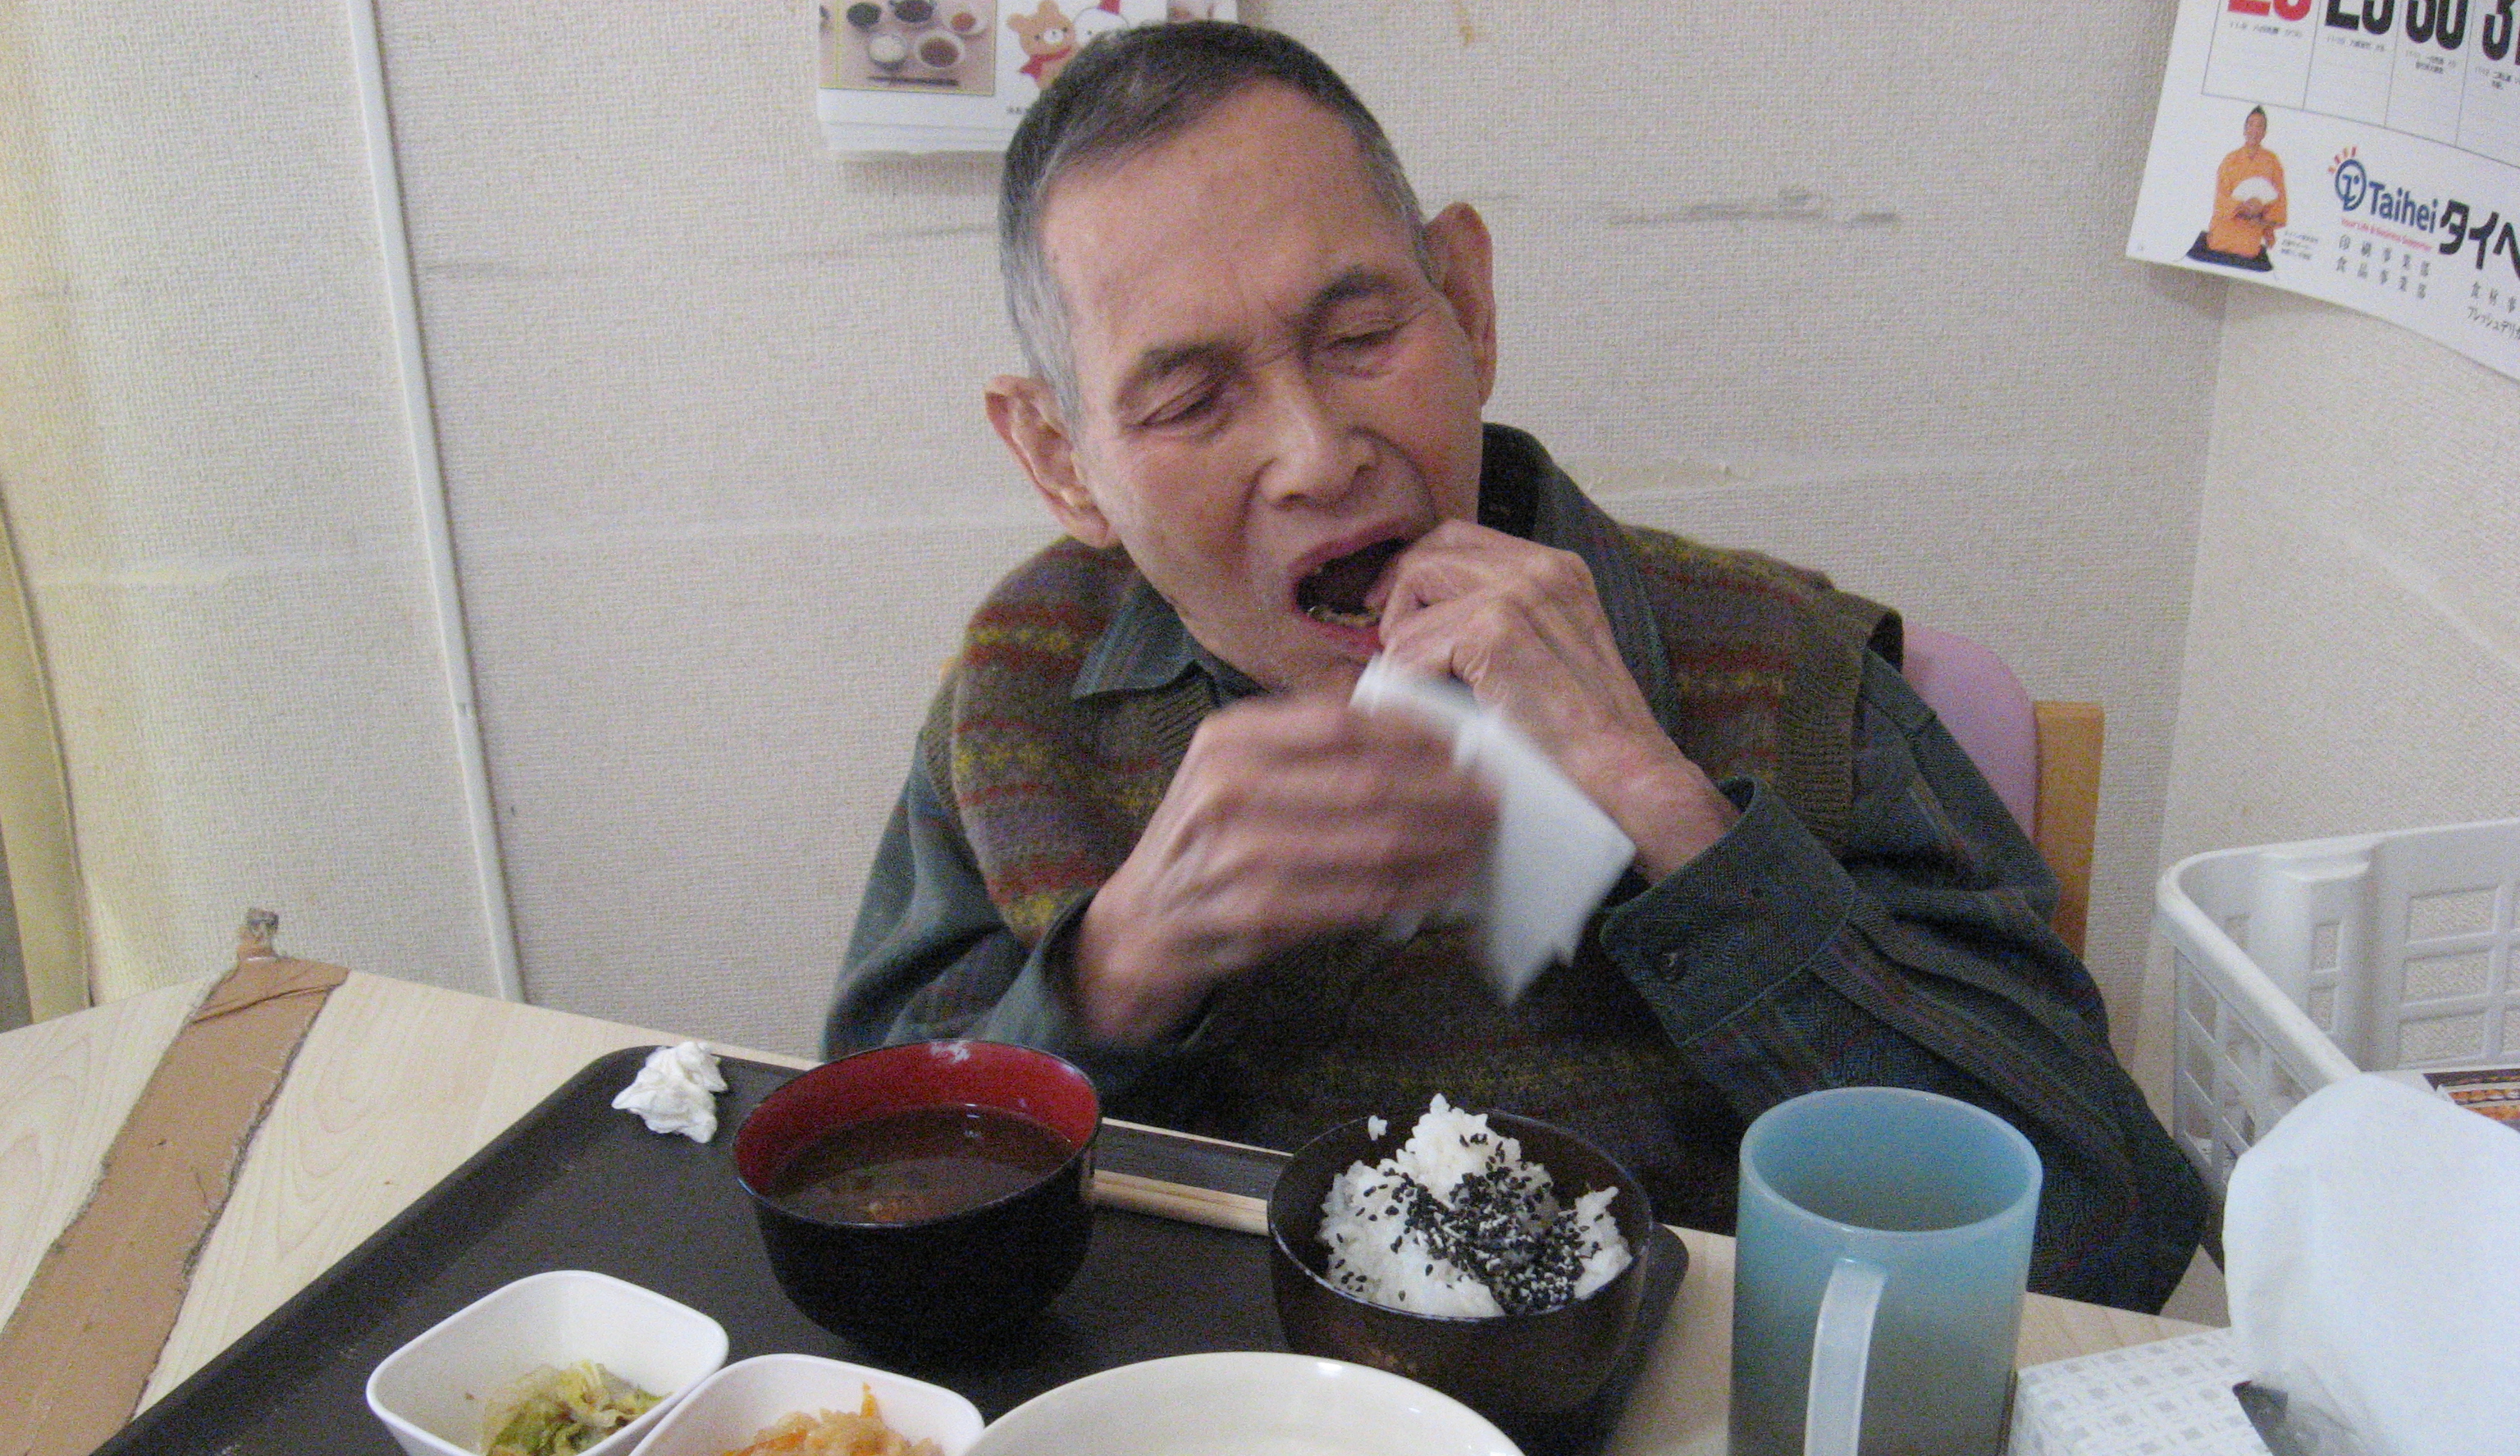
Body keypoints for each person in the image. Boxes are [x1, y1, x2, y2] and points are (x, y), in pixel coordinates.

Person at [829, 22, 2209, 1310]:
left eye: (1361, 338)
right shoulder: (1027, 688)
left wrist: (1664, 807)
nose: (1316, 455)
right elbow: (869, 1208)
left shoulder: (1787, 675)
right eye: (1192, 400)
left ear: (1469, 303)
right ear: (1061, 459)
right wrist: (1115, 969)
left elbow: (2111, 1240)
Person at [2186, 107, 2285, 273]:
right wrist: (2241, 207)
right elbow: (2220, 199)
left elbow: (2278, 201)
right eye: (2251, 125)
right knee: (2218, 242)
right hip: (2227, 223)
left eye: (2260, 126)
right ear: (2244, 130)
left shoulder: (2272, 162)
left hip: (2253, 228)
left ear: (2265, 132)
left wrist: (2264, 222)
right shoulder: (2230, 160)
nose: (2254, 130)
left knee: (2249, 250)